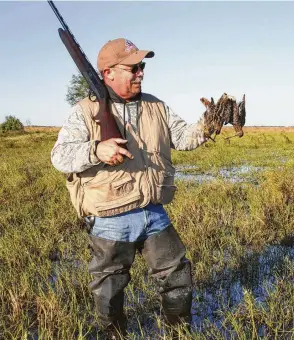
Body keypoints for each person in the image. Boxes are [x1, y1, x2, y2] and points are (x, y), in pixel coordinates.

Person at [51, 38, 208, 338]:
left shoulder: (155, 105)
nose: (141, 73)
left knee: (178, 277)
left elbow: (185, 137)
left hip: (153, 209)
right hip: (111, 216)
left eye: (142, 66)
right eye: (133, 68)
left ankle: (180, 334)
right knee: (110, 289)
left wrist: (209, 123)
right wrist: (96, 150)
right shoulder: (84, 111)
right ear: (108, 73)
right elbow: (59, 156)